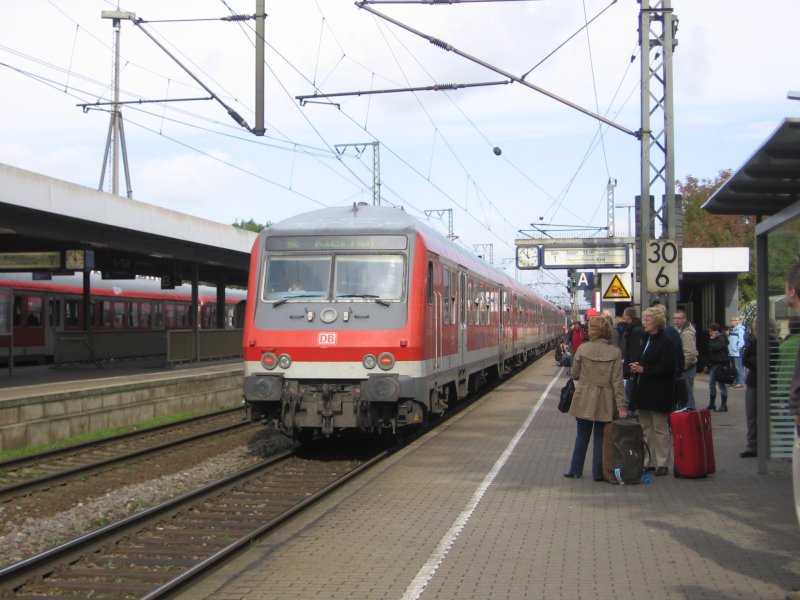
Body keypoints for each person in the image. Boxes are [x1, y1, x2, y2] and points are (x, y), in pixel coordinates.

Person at [564, 316, 628, 481]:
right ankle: (598, 473)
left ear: (591, 331)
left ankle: (575, 469)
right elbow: (617, 382)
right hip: (605, 399)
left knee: (582, 435)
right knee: (601, 436)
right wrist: (622, 406)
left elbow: (575, 374)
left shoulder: (583, 349)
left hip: (584, 396)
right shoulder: (615, 352)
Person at [629, 307, 679, 476]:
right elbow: (641, 357)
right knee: (645, 428)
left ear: (657, 322)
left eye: (647, 320)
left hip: (659, 391)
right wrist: (635, 365)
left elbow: (668, 367)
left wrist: (644, 370)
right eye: (644, 319)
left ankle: (662, 462)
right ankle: (647, 461)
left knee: (660, 428)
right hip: (642, 390)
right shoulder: (644, 339)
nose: (644, 323)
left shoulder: (666, 342)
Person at [740, 319, 780, 458]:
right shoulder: (755, 341)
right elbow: (745, 359)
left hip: (766, 382)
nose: (757, 327)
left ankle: (762, 445)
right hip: (754, 382)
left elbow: (771, 361)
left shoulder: (773, 342)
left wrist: (757, 360)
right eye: (756, 325)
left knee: (767, 415)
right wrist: (759, 361)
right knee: (751, 415)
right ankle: (753, 446)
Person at [619, 306, 644, 411]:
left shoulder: (634, 330)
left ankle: (631, 408)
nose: (623, 316)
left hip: (632, 363)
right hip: (630, 361)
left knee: (631, 385)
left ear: (628, 316)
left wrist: (630, 362)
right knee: (630, 385)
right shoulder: (632, 327)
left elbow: (633, 348)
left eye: (624, 314)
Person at [673, 309, 699, 409]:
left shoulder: (687, 333)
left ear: (684, 319)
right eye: (675, 318)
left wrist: (681, 367)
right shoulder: (678, 329)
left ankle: (689, 411)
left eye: (679, 318)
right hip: (684, 366)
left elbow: (690, 353)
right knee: (684, 393)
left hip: (687, 368)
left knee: (687, 393)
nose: (676, 320)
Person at [707, 323, 730, 412]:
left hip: (720, 364)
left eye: (711, 331)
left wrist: (712, 340)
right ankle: (712, 403)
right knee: (711, 384)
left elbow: (715, 348)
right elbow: (711, 352)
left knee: (721, 384)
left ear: (716, 331)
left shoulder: (721, 339)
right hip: (714, 364)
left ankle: (724, 405)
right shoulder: (718, 339)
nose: (710, 333)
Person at [729, 316, 746, 387]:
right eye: (731, 320)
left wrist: (736, 348)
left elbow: (741, 341)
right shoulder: (732, 330)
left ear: (737, 321)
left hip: (737, 352)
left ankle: (740, 382)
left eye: (733, 320)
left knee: (738, 367)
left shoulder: (740, 330)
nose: (731, 322)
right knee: (733, 367)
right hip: (731, 352)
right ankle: (735, 381)